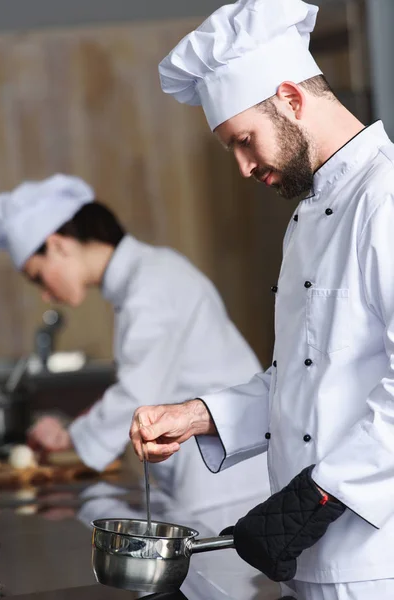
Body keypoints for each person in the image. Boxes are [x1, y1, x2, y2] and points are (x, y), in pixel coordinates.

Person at [129, 0, 394, 598]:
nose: (245, 167)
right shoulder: (305, 221)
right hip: (306, 558)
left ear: (292, 100)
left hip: (376, 562)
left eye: (245, 141)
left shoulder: (386, 199)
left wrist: (321, 493)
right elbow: (304, 376)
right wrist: (195, 415)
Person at [0, 174, 270, 530]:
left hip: (224, 484)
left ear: (58, 244)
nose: (45, 294)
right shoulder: (143, 278)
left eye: (38, 277)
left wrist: (70, 436)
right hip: (208, 475)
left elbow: (138, 394)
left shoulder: (151, 283)